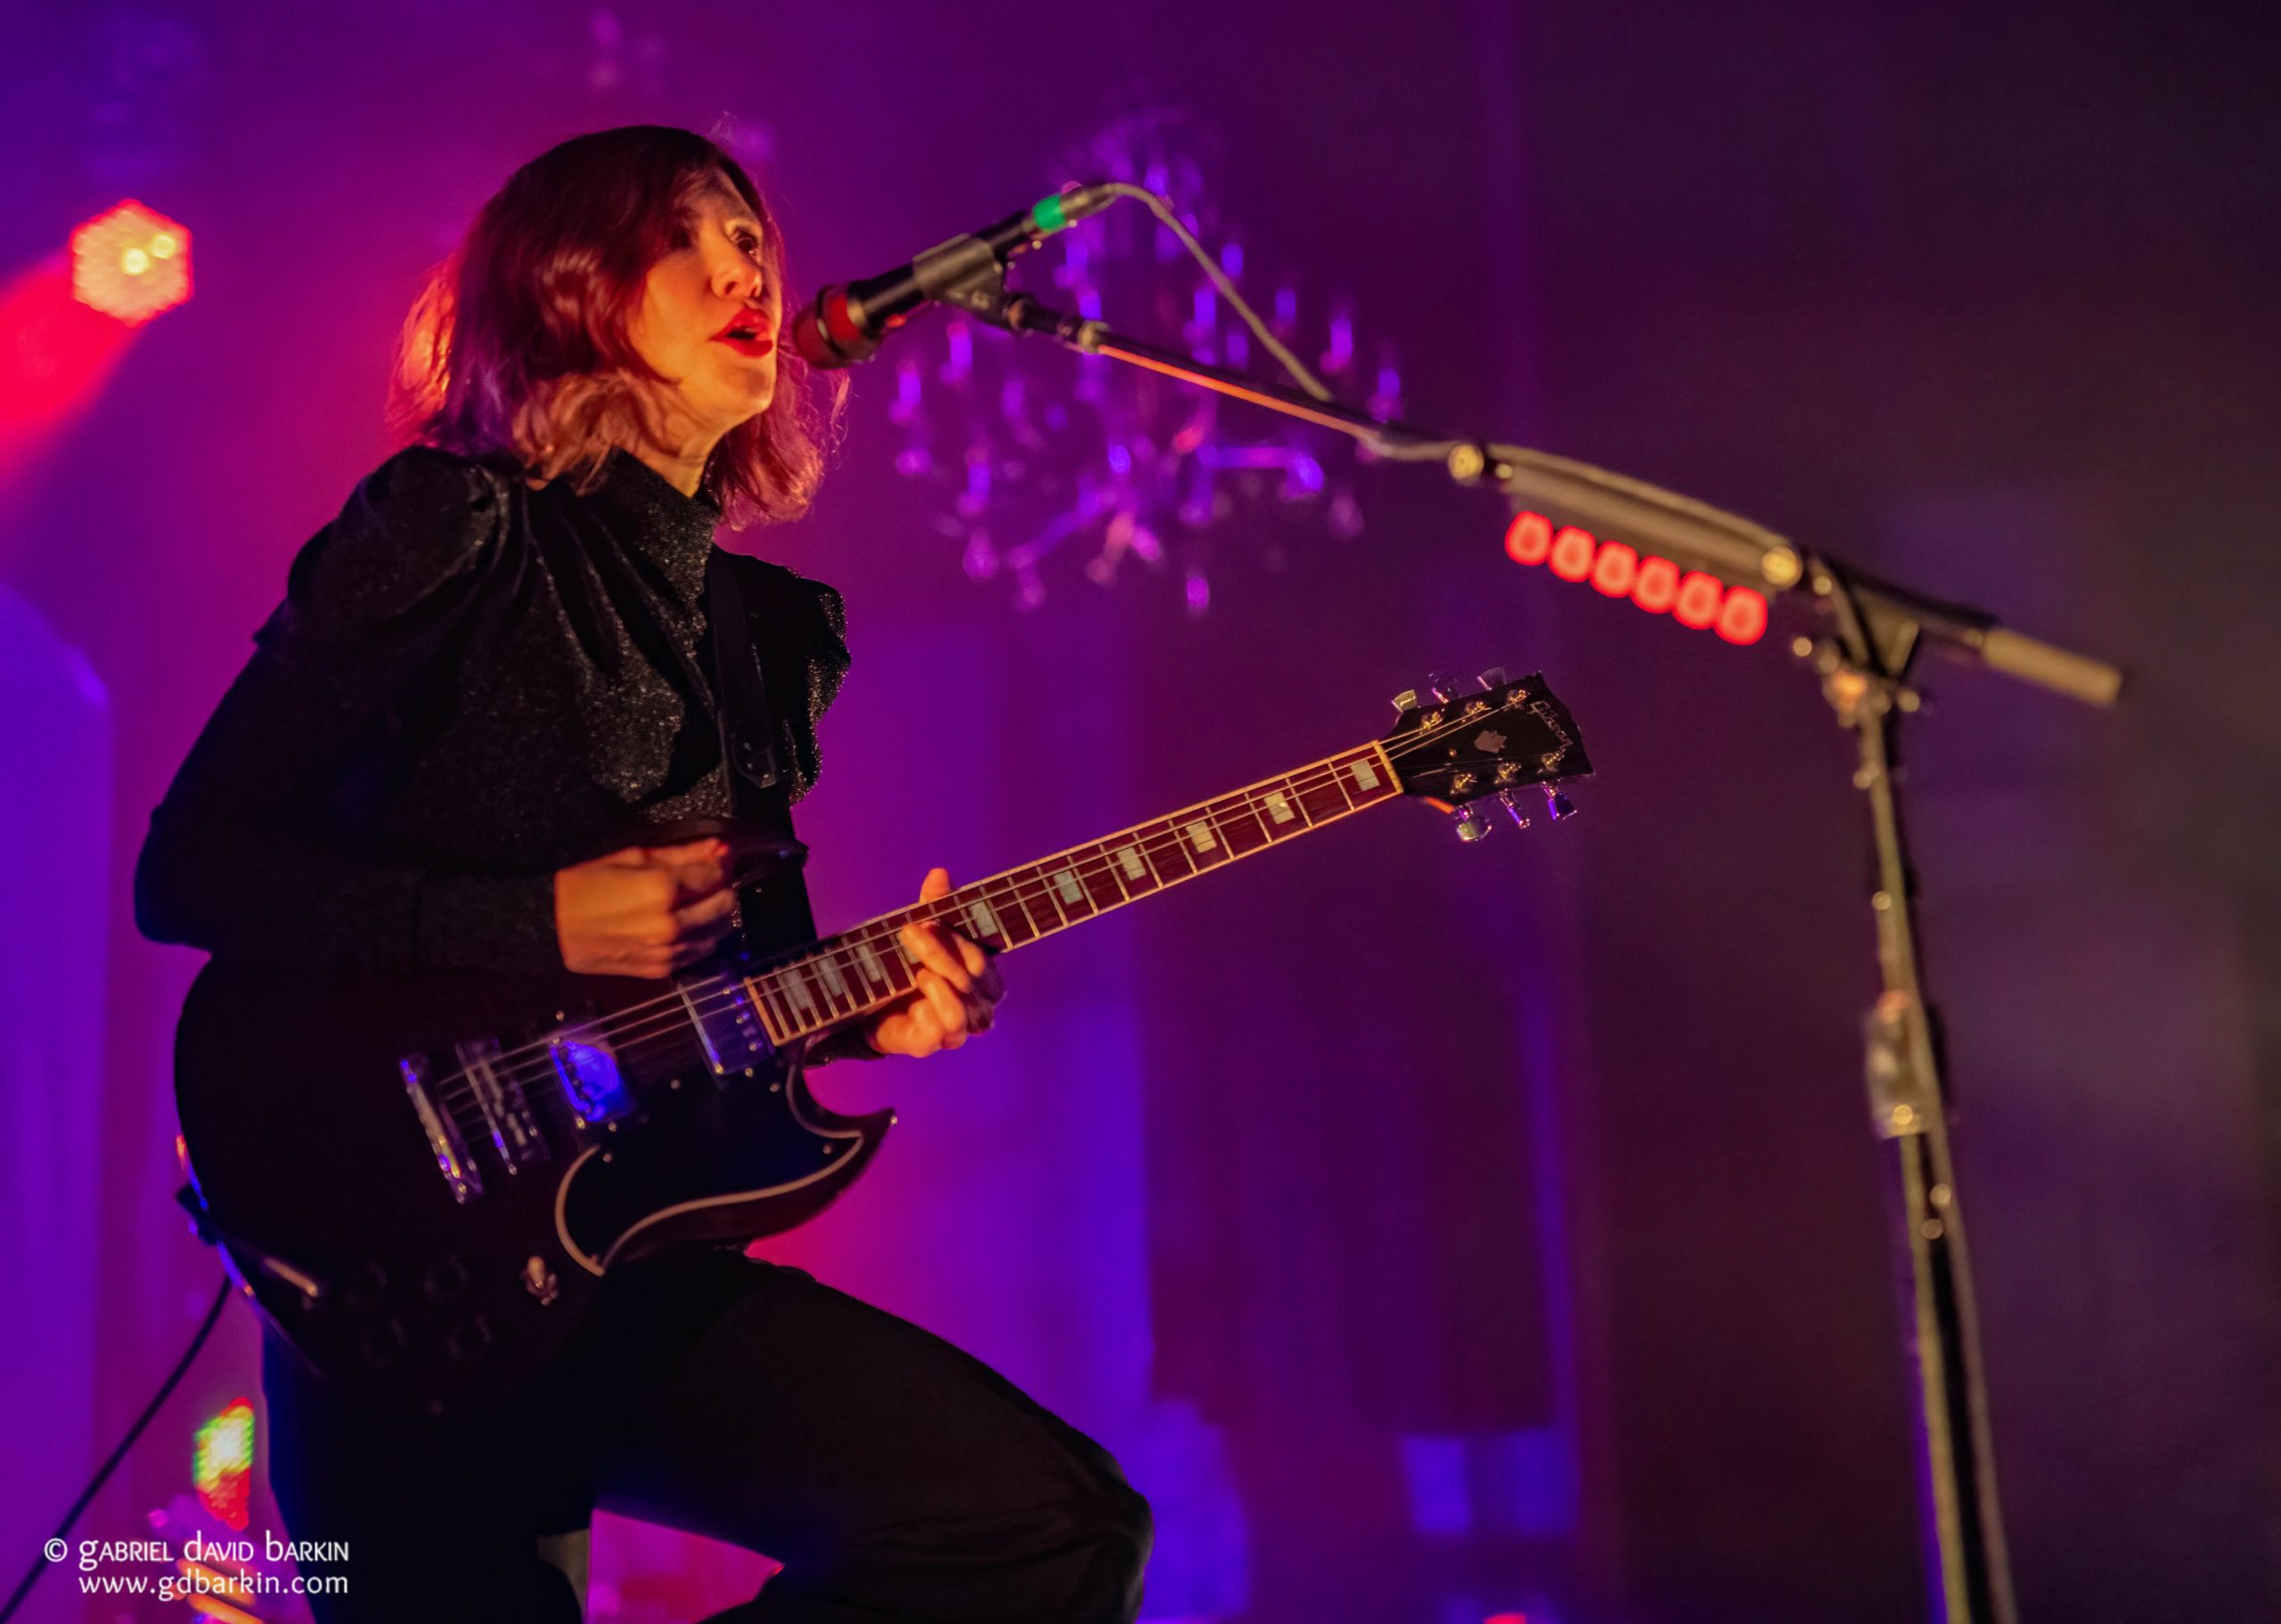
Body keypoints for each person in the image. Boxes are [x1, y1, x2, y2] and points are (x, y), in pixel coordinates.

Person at [133, 125, 1151, 1623]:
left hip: (627, 1261)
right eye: (698, 231)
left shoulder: (770, 632)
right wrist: (528, 921)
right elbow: (192, 868)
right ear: (575, 285)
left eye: (755, 234)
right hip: (402, 1272)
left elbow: (739, 977)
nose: (750, 262)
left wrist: (872, 1010)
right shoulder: (454, 523)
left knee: (1046, 1525)